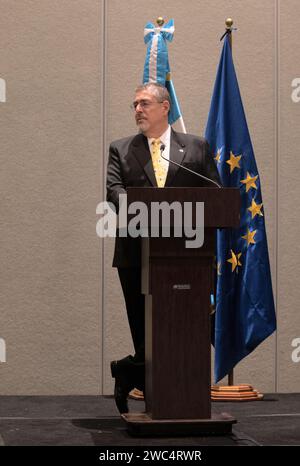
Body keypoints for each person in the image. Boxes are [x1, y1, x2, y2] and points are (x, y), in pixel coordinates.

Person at [106, 83, 220, 414]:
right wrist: (154, 210)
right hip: (135, 255)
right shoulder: (122, 149)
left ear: (164, 107)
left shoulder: (197, 148)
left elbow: (214, 196)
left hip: (188, 258)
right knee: (146, 333)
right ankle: (140, 374)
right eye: (134, 105)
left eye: (144, 103)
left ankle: (157, 387)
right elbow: (115, 193)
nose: (137, 110)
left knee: (183, 330)